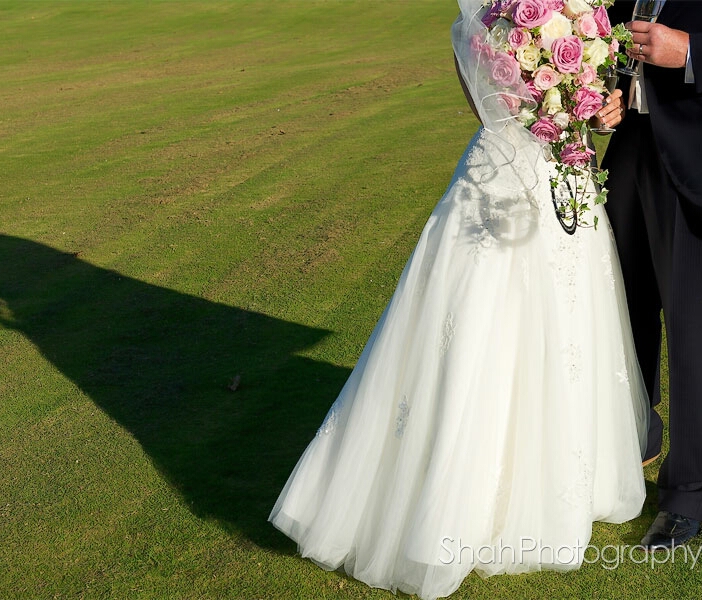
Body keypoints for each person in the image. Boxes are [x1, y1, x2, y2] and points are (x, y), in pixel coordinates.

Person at [269, 2, 647, 598]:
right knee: (481, 322)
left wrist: (597, 107)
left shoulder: (586, 9)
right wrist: (545, 103)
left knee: (572, 327)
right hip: (503, 172)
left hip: (566, 176)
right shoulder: (494, 12)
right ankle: (459, 502)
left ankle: (564, 482)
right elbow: (483, 97)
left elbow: (599, 100)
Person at [602, 0, 702, 549]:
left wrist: (692, 51)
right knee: (616, 309)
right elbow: (627, 29)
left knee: (697, 331)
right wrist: (615, 90)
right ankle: (628, 441)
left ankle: (694, 491)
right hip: (634, 149)